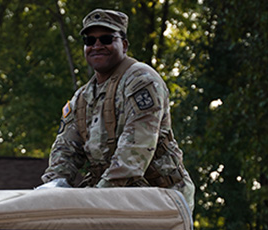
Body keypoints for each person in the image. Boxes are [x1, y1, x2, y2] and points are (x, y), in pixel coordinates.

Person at [42, 8, 195, 212]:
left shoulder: (141, 81)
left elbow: (134, 154)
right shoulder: (82, 98)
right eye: (90, 41)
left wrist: (94, 201)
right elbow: (65, 151)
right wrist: (50, 191)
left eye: (106, 39)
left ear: (123, 44)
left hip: (157, 199)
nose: (97, 46)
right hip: (109, 197)